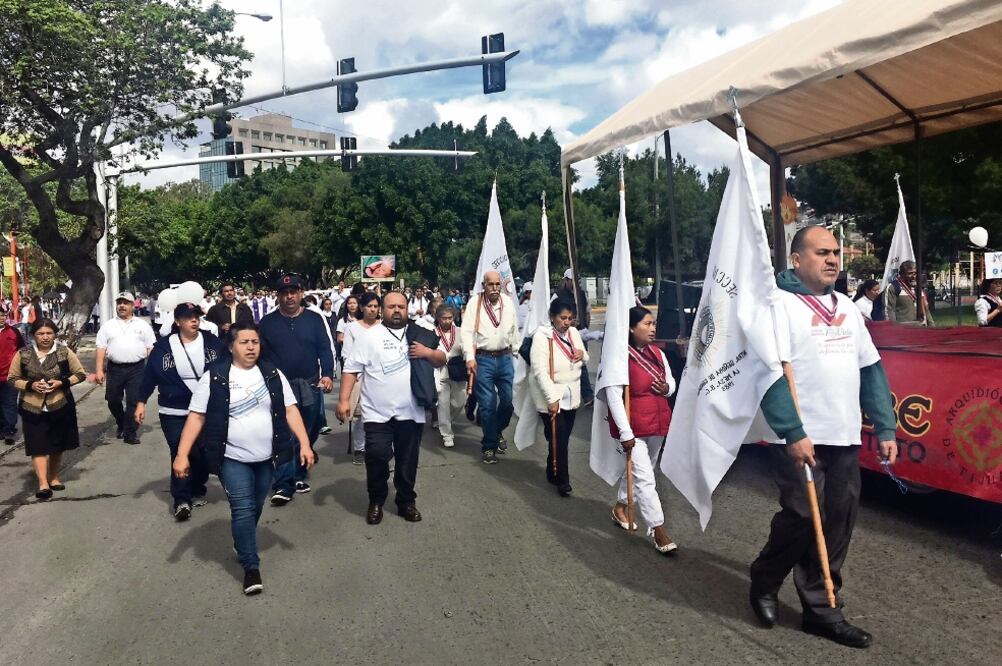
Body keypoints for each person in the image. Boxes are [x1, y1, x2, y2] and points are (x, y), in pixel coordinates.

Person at [750, 226, 897, 649]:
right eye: (822, 252)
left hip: (844, 434)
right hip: (800, 436)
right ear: (796, 259)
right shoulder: (777, 305)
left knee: (838, 520)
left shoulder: (848, 308)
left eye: (836, 253)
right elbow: (769, 371)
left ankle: (821, 609)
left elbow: (870, 368)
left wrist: (884, 425)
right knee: (799, 516)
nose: (833, 259)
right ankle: (765, 577)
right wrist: (792, 431)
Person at [173, 323, 315, 595]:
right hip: (231, 456)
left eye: (255, 342)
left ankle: (242, 539)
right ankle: (251, 567)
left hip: (266, 457)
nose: (251, 347)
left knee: (255, 505)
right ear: (231, 346)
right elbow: (197, 416)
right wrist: (182, 455)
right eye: (244, 342)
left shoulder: (272, 374)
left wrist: (305, 445)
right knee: (242, 507)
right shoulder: (215, 376)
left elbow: (290, 410)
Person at [336, 292, 445, 524]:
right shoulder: (369, 337)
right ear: (382, 310)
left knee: (407, 461)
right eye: (391, 306)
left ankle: (406, 502)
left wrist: (427, 353)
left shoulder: (421, 333)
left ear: (408, 309)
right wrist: (344, 400)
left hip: (411, 412)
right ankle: (376, 500)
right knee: (376, 456)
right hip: (377, 413)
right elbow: (351, 369)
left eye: (401, 307)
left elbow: (441, 359)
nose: (397, 311)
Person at [136, 303, 227, 521]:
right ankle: (182, 499)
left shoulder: (213, 343)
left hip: (206, 409)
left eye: (196, 316)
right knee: (180, 451)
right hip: (173, 410)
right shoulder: (164, 347)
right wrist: (140, 402)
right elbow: (149, 376)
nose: (194, 320)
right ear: (177, 322)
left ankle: (197, 485)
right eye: (188, 317)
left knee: (203, 452)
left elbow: (227, 368)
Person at [604, 306, 678, 554]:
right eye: (647, 324)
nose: (653, 328)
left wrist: (666, 388)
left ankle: (620, 507)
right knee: (646, 478)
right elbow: (614, 396)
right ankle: (658, 529)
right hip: (634, 427)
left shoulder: (658, 353)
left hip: (658, 423)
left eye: (653, 323)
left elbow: (671, 383)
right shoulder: (620, 357)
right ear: (631, 328)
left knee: (638, 471)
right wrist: (625, 433)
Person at [258, 274, 334, 504]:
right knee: (286, 434)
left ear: (301, 293)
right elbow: (260, 354)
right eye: (284, 292)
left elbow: (325, 349)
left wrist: (328, 374)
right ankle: (284, 484)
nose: (289, 296)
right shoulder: (268, 323)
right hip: (280, 386)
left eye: (293, 291)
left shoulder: (314, 319)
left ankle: (300, 471)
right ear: (278, 296)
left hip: (309, 384)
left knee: (308, 431)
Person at [7, 318, 87, 500]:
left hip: (60, 405)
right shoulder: (23, 354)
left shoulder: (64, 352)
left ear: (54, 334)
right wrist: (30, 385)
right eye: (40, 333)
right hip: (31, 407)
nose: (45, 337)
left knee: (57, 444)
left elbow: (80, 374)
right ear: (33, 335)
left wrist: (62, 382)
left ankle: (54, 477)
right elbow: (12, 379)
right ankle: (43, 483)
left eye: (49, 333)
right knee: (37, 445)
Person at [461, 271, 521, 465]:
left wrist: (517, 351)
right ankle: (489, 446)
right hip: (483, 359)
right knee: (487, 405)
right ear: (483, 285)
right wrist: (469, 357)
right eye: (491, 284)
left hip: (504, 358)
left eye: (497, 284)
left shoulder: (507, 302)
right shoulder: (474, 303)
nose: (495, 288)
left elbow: (513, 329)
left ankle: (495, 431)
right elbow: (467, 332)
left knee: (508, 402)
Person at [529, 299, 587, 497]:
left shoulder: (574, 333)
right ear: (552, 317)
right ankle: (563, 480)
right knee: (559, 436)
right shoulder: (542, 336)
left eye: (570, 318)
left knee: (561, 437)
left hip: (572, 393)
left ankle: (552, 468)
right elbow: (539, 371)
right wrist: (551, 398)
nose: (567, 322)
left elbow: (584, 356)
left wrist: (581, 353)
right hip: (551, 393)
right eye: (563, 318)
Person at [95, 291, 156, 444]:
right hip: (115, 368)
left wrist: (154, 370)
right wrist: (99, 370)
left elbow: (151, 348)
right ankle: (121, 422)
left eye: (126, 303)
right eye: (119, 302)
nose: (122, 305)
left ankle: (130, 432)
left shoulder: (143, 325)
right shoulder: (108, 326)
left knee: (134, 400)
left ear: (132, 306)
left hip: (137, 369)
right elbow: (101, 348)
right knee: (113, 400)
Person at [341, 292, 381, 465]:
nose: (372, 310)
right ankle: (360, 448)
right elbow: (347, 354)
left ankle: (381, 446)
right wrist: (352, 377)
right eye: (369, 306)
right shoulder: (352, 327)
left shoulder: (384, 326)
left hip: (381, 376)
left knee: (382, 414)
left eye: (375, 306)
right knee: (361, 415)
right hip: (360, 376)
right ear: (362, 307)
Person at [433, 304, 467, 448]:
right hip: (440, 371)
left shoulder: (460, 331)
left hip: (457, 370)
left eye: (450, 318)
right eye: (444, 318)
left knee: (460, 402)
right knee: (443, 403)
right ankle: (447, 433)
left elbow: (466, 348)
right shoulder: (432, 332)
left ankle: (446, 420)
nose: (447, 321)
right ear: (438, 318)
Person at [0, 307, 26, 445]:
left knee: (9, 403)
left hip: (10, 375)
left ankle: (9, 430)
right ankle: (2, 428)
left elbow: (23, 349)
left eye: (3, 315)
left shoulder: (13, 331)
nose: (2, 317)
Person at [884, 260, 933, 325]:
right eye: (910, 273)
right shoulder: (893, 287)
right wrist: (894, 330)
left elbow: (926, 310)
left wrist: (932, 325)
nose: (913, 276)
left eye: (915, 273)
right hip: (904, 331)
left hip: (921, 329)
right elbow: (889, 311)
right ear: (902, 274)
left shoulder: (918, 288)